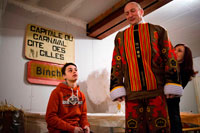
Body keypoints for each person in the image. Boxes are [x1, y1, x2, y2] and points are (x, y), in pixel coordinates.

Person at [110, 2, 183, 132]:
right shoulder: (120, 37)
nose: (130, 15)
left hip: (156, 92)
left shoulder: (159, 30)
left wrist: (172, 82)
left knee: (160, 129)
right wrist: (116, 85)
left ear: (141, 11)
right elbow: (117, 62)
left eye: (133, 11)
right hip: (131, 94)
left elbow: (169, 58)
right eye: (127, 13)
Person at [46, 62, 90, 133]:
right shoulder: (56, 92)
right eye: (70, 70)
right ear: (64, 76)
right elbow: (50, 118)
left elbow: (83, 116)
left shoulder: (81, 95)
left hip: (76, 129)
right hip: (61, 130)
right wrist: (71, 129)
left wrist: (85, 126)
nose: (74, 71)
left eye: (75, 70)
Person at [167, 44, 198, 133]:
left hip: (172, 111)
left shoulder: (184, 73)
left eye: (179, 51)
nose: (175, 51)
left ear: (184, 58)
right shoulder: (169, 67)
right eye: (174, 49)